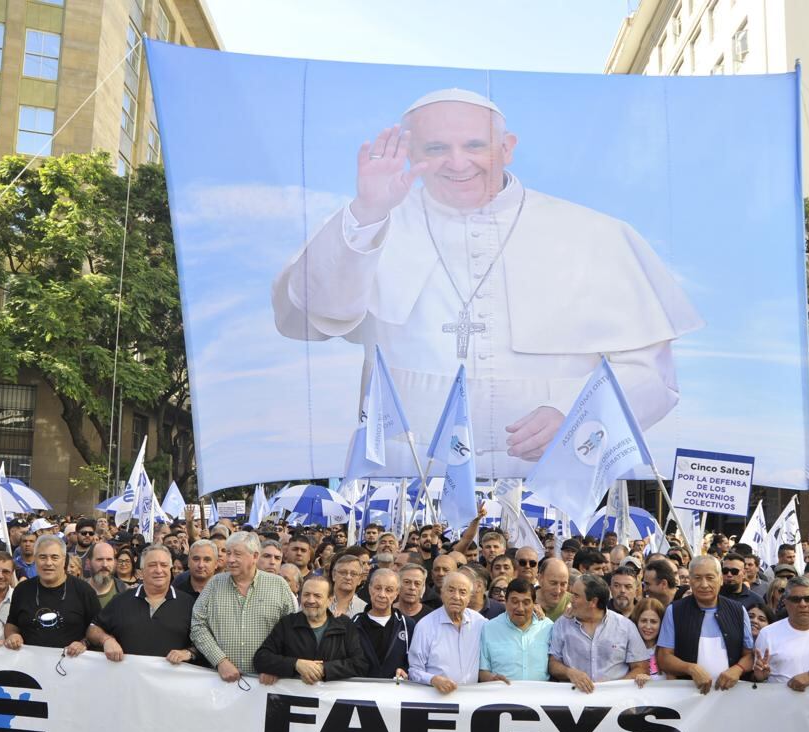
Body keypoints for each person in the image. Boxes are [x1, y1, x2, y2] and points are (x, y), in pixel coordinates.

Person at [272, 88, 702, 479]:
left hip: (552, 479)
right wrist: (367, 213)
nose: (457, 163)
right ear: (410, 152)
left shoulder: (596, 234)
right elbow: (305, 320)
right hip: (401, 477)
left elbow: (654, 378)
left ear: (507, 148)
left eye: (474, 145)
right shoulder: (370, 220)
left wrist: (578, 414)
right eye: (436, 148)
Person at [191, 532, 296, 683]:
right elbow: (197, 625)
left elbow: (292, 632)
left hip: (266, 684)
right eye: (228, 553)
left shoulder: (279, 586)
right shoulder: (214, 584)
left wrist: (276, 666)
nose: (231, 559)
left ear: (254, 556)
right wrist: (220, 661)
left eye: (237, 554)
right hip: (220, 682)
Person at [656, 555, 753, 694]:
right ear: (689, 580)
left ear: (720, 579)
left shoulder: (738, 610)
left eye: (710, 577)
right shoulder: (675, 611)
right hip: (689, 697)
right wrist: (690, 668)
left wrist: (738, 669)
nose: (704, 584)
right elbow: (664, 658)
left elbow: (749, 655)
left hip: (731, 696)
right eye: (697, 578)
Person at [86, 545, 196, 664]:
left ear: (170, 568)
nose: (159, 570)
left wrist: (188, 653)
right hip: (129, 680)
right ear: (142, 570)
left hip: (173, 680)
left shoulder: (188, 603)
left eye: (164, 565)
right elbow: (93, 628)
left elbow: (204, 642)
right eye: (152, 565)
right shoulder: (121, 600)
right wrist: (106, 640)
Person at [253, 576, 368, 683]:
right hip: (294, 700)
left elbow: (360, 664)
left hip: (332, 701)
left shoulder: (345, 625)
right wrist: (296, 664)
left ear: (330, 600)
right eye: (306, 594)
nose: (311, 600)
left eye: (317, 596)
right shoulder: (287, 623)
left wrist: (324, 669)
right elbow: (261, 658)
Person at [1, 534, 101, 654]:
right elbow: (12, 624)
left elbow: (97, 628)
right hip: (29, 665)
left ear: (64, 560)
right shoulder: (22, 590)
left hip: (71, 664)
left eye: (54, 557)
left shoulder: (84, 591)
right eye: (43, 557)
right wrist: (13, 636)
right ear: (35, 558)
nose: (48, 563)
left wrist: (83, 643)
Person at [548, 575, 649, 693]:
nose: (571, 599)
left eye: (576, 596)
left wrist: (617, 688)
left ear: (593, 602)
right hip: (574, 702)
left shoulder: (625, 627)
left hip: (616, 703)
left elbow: (641, 667)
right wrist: (570, 673)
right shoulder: (562, 624)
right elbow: (553, 664)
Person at [408, 571, 484, 694]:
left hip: (471, 701)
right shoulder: (425, 625)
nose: (456, 596)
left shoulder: (480, 623)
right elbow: (414, 670)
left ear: (469, 598)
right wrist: (433, 679)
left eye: (463, 592)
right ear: (442, 593)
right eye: (451, 590)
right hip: (437, 698)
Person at [479, 578, 552, 683]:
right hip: (502, 695)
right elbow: (482, 671)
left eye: (526, 603)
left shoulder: (547, 627)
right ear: (506, 602)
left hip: (540, 696)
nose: (520, 608)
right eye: (514, 602)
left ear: (534, 604)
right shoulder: (489, 629)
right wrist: (492, 679)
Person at [353, 568, 413, 679]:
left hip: (395, 692)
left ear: (397, 593)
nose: (382, 594)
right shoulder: (354, 624)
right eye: (377, 588)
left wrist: (405, 670)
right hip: (360, 692)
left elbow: (415, 661)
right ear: (370, 589)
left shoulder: (407, 625)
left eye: (389, 590)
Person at [630, 597, 667, 681]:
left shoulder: (667, 650)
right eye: (643, 621)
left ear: (662, 623)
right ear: (636, 621)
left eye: (653, 622)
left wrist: (650, 680)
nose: (648, 626)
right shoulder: (628, 647)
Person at [85, 541, 119, 608]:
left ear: (114, 563)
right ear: (88, 563)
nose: (105, 565)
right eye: (99, 559)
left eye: (109, 559)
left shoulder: (125, 591)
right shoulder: (77, 591)